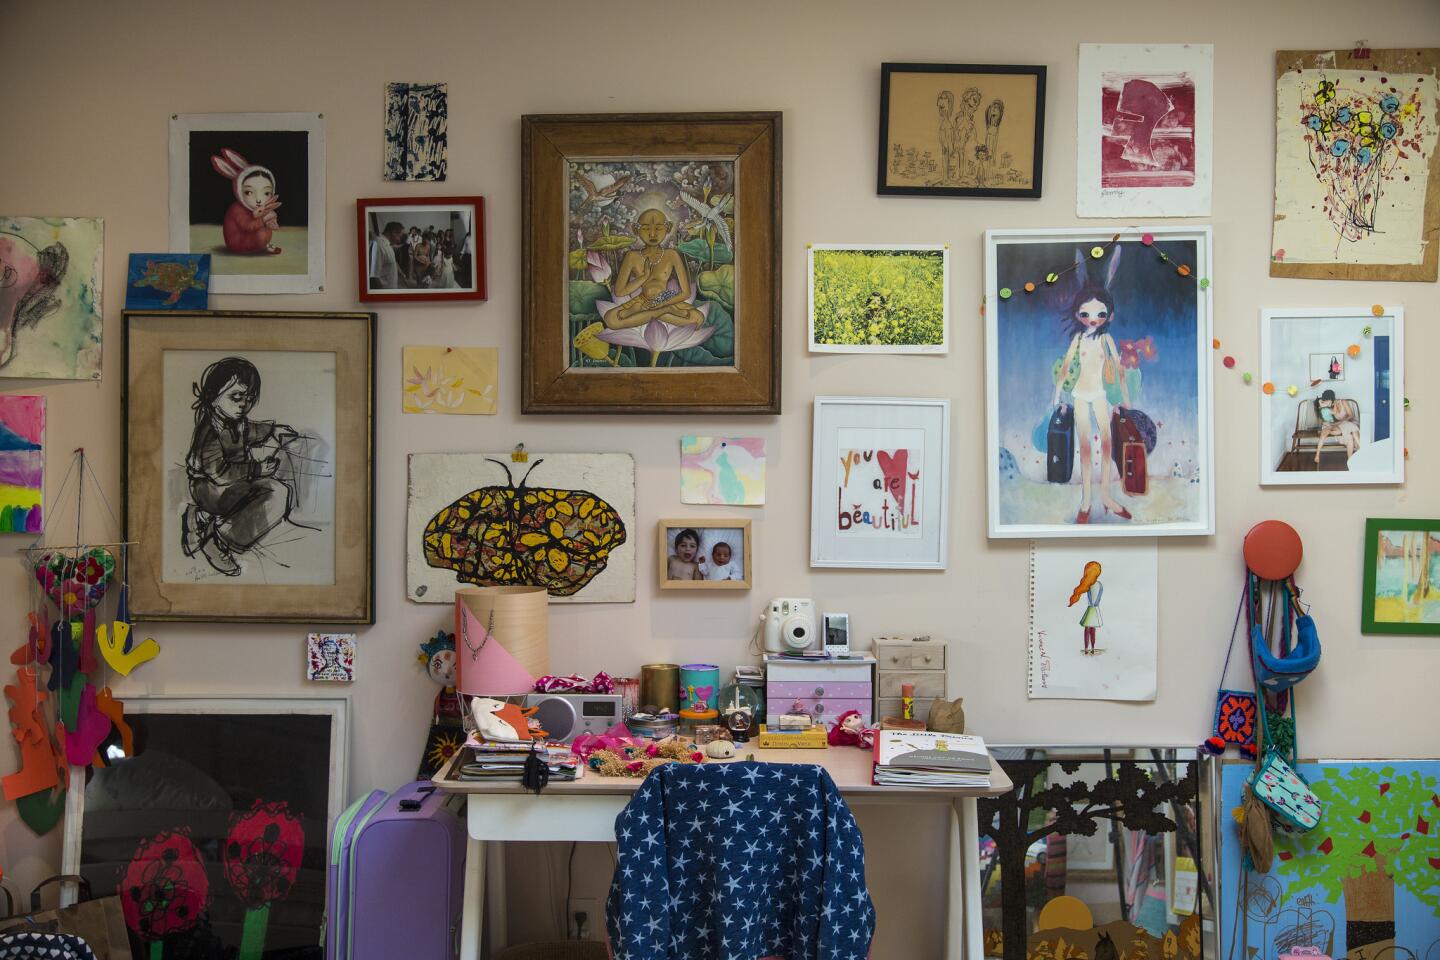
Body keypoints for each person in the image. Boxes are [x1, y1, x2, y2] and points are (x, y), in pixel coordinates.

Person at [180, 357, 302, 576]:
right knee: (268, 493)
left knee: (280, 492)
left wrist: (272, 430)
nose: (243, 404)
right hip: (210, 490)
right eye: (236, 396)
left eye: (249, 397)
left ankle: (206, 522)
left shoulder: (238, 421)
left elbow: (252, 431)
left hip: (234, 484)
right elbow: (218, 473)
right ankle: (213, 537)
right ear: (213, 396)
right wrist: (256, 470)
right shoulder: (209, 431)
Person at [1052, 285, 1132, 523]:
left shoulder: (1107, 339)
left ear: (1110, 316)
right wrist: (1057, 395)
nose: (1093, 319)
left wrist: (1124, 399)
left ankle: (1106, 497)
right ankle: (1086, 501)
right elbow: (1066, 366)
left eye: (1100, 314)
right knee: (1085, 447)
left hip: (1099, 395)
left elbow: (1118, 370)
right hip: (1079, 395)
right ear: (1078, 315)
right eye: (1086, 314)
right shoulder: (1077, 339)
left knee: (1107, 445)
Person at [603, 209, 705, 330]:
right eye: (646, 229)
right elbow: (619, 292)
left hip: (666, 300)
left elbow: (686, 293)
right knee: (610, 319)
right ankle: (663, 312)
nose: (652, 234)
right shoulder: (632, 256)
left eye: (658, 228)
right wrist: (644, 277)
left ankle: (644, 313)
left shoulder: (671, 254)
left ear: (667, 228)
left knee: (698, 319)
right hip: (642, 300)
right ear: (636, 230)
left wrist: (663, 304)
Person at [1314, 389, 1360, 463]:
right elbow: (1327, 417)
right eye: (1324, 400)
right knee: (1349, 436)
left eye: (1327, 400)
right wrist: (1330, 424)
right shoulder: (1329, 408)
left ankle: (1362, 451)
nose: (1325, 402)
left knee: (1352, 430)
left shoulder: (1343, 401)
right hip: (1340, 426)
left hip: (1349, 422)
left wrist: (1340, 422)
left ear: (1331, 399)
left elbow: (1351, 415)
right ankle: (1350, 461)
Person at [1068, 561, 1104, 655]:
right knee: (1091, 629)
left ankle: (1088, 648)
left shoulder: (1090, 584)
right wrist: (1094, 604)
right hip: (1094, 609)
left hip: (1092, 609)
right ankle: (1089, 648)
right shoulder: (1096, 585)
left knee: (1088, 629)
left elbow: (1094, 598)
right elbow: (1097, 598)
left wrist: (1093, 604)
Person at [369, 220, 405, 289]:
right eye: (400, 236)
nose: (400, 240)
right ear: (394, 232)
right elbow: (373, 277)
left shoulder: (387, 245)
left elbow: (391, 261)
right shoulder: (378, 245)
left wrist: (402, 273)